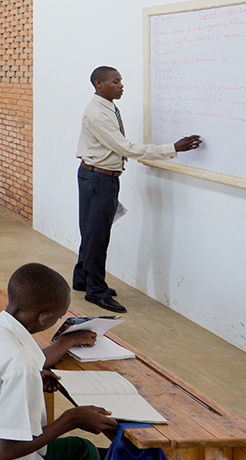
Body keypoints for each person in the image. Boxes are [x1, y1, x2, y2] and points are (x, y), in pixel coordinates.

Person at [0, 263, 116, 460]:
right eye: (58, 317)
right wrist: (71, 419)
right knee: (84, 449)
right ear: (44, 317)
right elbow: (5, 452)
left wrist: (26, 385)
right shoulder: (20, 365)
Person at [75, 66, 202, 312]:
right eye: (115, 81)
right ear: (99, 84)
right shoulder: (98, 114)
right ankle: (96, 291)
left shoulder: (107, 106)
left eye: (121, 80)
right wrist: (172, 148)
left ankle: (83, 280)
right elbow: (127, 148)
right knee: (97, 236)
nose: (121, 85)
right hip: (97, 180)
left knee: (92, 231)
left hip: (101, 177)